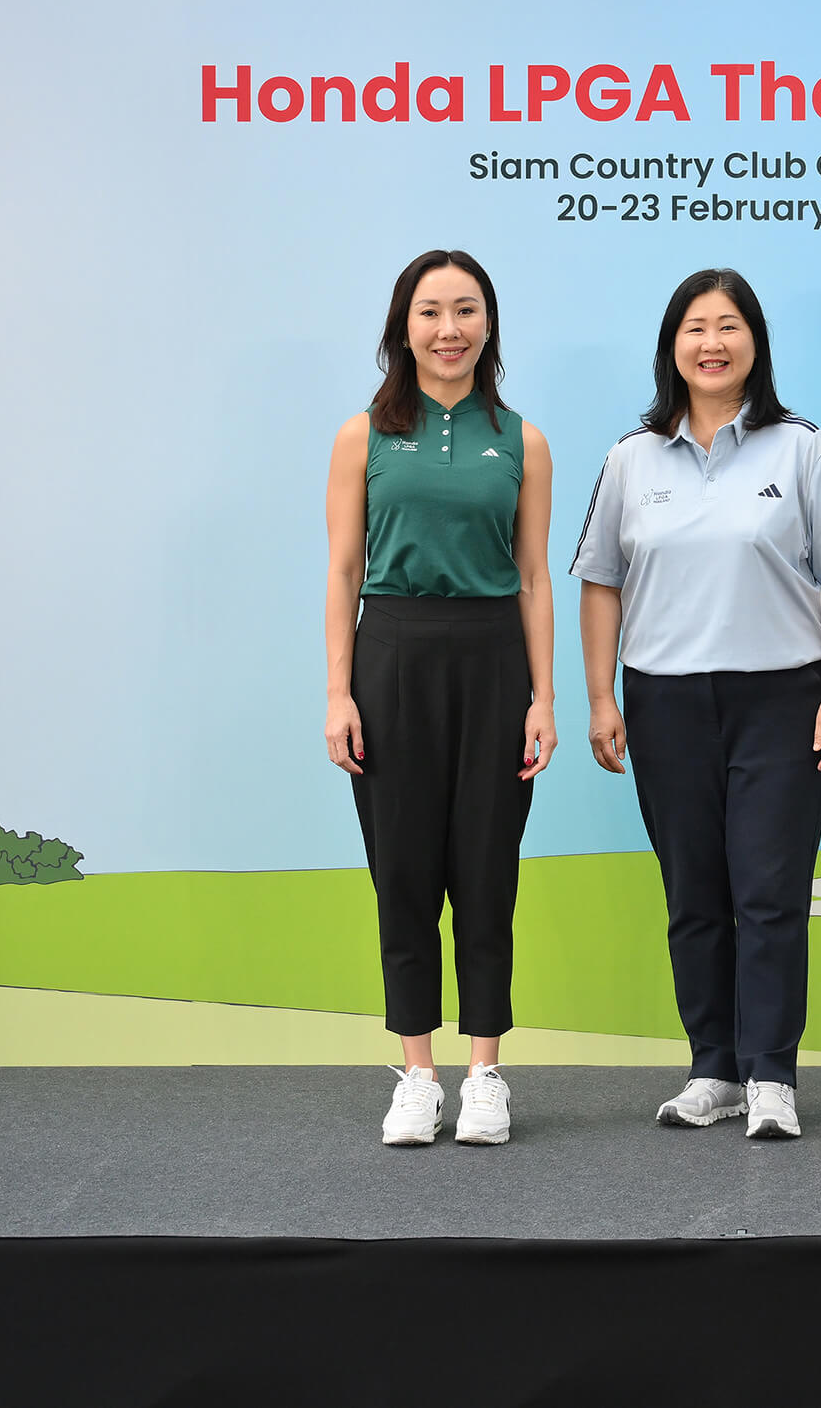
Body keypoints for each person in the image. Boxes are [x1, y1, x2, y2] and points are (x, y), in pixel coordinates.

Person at [571, 268, 821, 1139]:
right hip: (664, 700)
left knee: (770, 892)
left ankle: (771, 1075)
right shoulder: (631, 458)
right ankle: (711, 1068)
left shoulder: (803, 449)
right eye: (695, 328)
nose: (712, 343)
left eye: (728, 326)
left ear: (755, 342)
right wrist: (600, 698)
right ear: (671, 345)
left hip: (782, 698)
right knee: (695, 896)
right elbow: (599, 582)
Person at [324, 249, 556, 1147]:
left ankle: (485, 1073)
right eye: (430, 312)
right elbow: (345, 571)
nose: (448, 329)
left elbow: (532, 577)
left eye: (465, 310)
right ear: (404, 326)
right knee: (404, 874)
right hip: (390, 657)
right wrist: (339, 693)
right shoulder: (362, 436)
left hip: (493, 660)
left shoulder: (522, 440)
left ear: (487, 325)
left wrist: (542, 699)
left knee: (487, 873)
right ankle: (417, 1076)